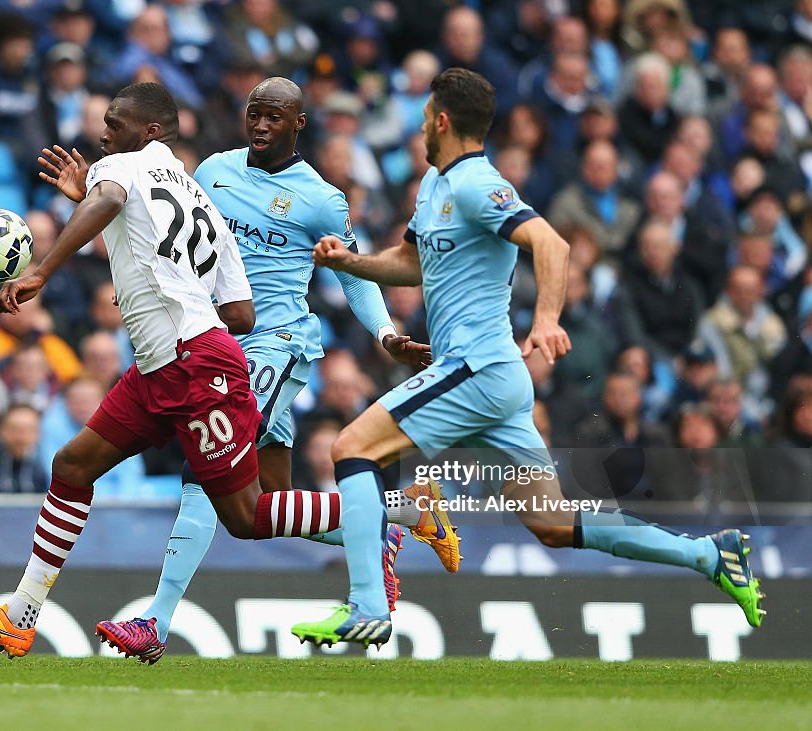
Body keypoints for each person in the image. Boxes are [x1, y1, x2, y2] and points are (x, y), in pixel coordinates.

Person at [293, 68, 765, 648]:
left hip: (478, 367)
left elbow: (551, 241)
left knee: (351, 448)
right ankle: (710, 554)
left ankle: (366, 605)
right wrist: (349, 262)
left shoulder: (475, 183)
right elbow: (412, 265)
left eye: (423, 119)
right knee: (552, 522)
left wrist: (544, 321)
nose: (419, 128)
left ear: (442, 121)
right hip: (490, 379)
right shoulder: (435, 186)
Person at [0, 83, 408, 660]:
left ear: (149, 131)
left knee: (243, 513)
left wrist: (43, 271)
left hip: (199, 365)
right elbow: (239, 312)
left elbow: (108, 201)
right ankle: (19, 615)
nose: (103, 131)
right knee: (73, 464)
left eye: (114, 121)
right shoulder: (203, 191)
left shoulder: (125, 166)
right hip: (172, 363)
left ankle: (394, 511)